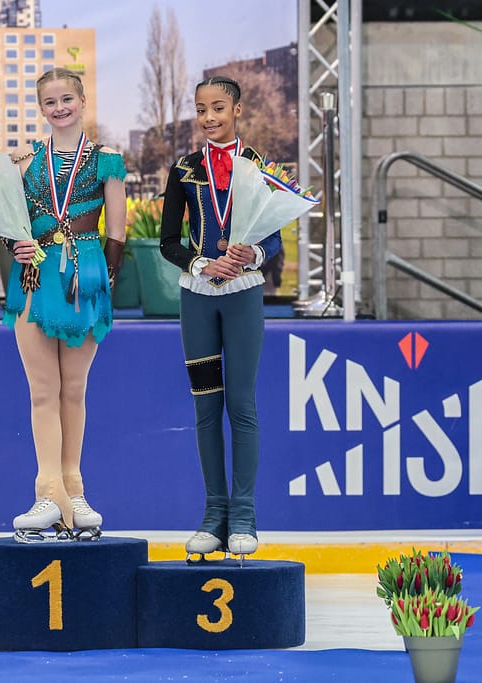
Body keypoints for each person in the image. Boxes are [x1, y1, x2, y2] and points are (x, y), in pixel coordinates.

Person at [159, 76, 283, 562]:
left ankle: (244, 514)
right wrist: (199, 264)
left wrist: (253, 253)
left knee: (243, 404)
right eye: (201, 109)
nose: (209, 117)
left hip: (243, 298)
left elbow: (274, 238)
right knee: (206, 406)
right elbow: (168, 241)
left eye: (218, 108)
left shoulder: (260, 167)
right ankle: (214, 514)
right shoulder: (183, 170)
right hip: (197, 300)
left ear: (237, 110)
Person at [5, 68, 127, 542]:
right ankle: (47, 492)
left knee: (73, 389)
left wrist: (105, 281)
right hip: (34, 276)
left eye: (66, 99)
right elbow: (7, 222)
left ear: (82, 101)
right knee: (42, 391)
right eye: (50, 101)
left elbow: (117, 230)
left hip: (84, 275)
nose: (59, 108)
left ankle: (74, 490)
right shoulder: (23, 162)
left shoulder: (106, 160)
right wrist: (13, 244)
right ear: (40, 108)